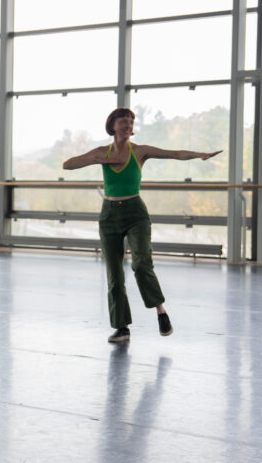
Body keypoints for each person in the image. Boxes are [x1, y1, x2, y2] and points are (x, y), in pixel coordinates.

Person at [62, 108, 221, 344]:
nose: (128, 125)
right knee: (114, 275)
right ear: (112, 125)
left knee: (141, 263)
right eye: (123, 121)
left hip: (135, 213)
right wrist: (104, 160)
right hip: (108, 216)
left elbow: (174, 153)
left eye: (131, 121)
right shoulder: (101, 151)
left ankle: (161, 312)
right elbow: (68, 165)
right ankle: (121, 327)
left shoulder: (140, 151)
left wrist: (199, 155)